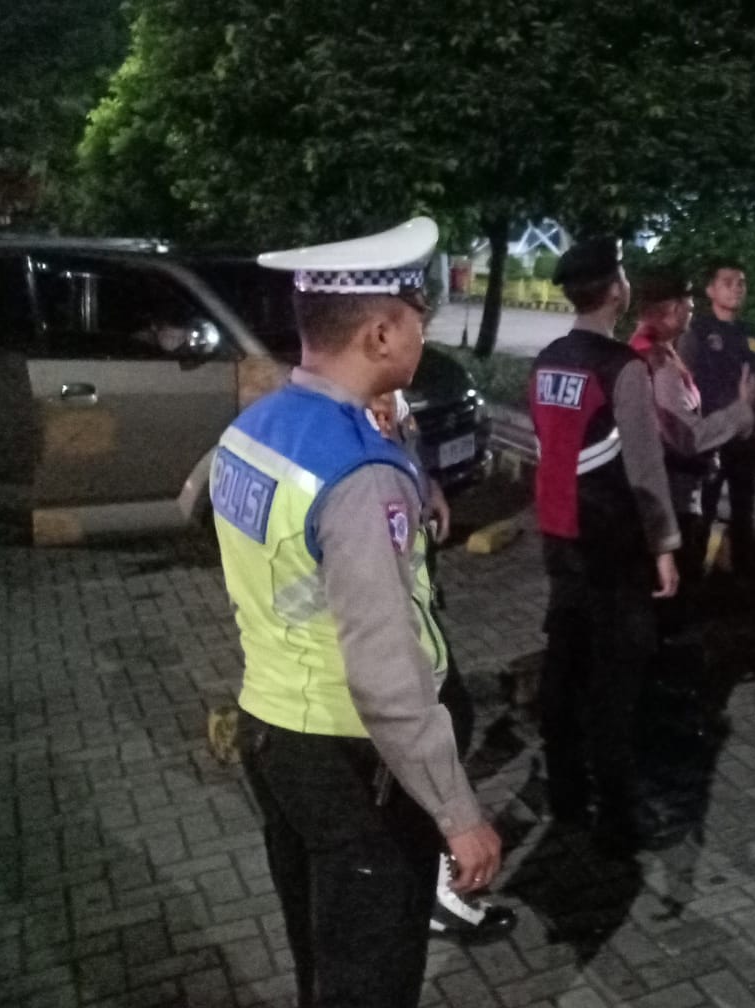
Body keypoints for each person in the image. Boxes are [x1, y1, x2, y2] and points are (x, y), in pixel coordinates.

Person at [211, 217, 502, 1008]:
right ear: (379, 333)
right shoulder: (359, 472)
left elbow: (209, 514)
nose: (421, 337)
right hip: (353, 760)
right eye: (415, 321)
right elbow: (384, 674)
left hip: (273, 735)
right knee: (370, 978)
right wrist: (457, 813)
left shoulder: (254, 426)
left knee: (320, 955)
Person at [529, 237, 681, 851]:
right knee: (615, 682)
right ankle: (618, 817)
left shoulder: (547, 360)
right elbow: (644, 468)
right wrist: (664, 545)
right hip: (612, 543)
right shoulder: (623, 369)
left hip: (559, 537)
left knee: (564, 665)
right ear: (616, 291)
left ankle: (566, 794)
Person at [367, 390, 515, 941]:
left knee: (448, 721)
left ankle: (413, 866)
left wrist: (426, 488)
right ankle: (431, 888)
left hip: (412, 600)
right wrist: (459, 817)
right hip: (392, 619)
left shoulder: (387, 395)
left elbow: (404, 446)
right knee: (438, 727)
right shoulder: (352, 408)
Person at [630, 269, 755, 593]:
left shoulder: (644, 349)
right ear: (674, 309)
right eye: (689, 304)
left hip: (653, 495)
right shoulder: (657, 361)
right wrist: (741, 411)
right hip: (670, 500)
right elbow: (688, 436)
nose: (692, 310)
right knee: (670, 595)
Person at [680, 258, 755, 574]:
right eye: (728, 282)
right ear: (710, 290)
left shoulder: (752, 333)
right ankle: (693, 580)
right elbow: (683, 382)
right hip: (712, 437)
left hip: (748, 440)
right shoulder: (696, 332)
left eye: (741, 283)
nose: (736, 288)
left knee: (745, 515)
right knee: (703, 512)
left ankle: (741, 583)